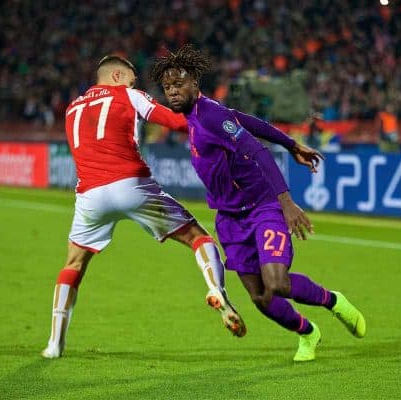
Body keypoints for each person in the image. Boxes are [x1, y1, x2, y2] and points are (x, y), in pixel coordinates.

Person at [151, 45, 366, 362]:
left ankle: (333, 301)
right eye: (168, 87)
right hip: (229, 217)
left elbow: (257, 149)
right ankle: (308, 333)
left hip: (263, 206)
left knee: (277, 283)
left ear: (195, 84)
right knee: (261, 298)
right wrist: (291, 143)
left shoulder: (210, 115)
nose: (172, 91)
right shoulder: (199, 116)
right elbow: (250, 122)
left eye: (179, 84)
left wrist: (286, 203)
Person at [41, 55, 247, 359]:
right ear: (115, 77)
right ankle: (218, 289)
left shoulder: (72, 108)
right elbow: (174, 120)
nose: (135, 85)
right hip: (131, 184)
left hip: (90, 195)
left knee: (73, 264)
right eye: (131, 79)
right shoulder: (127, 94)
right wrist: (201, 107)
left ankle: (54, 343)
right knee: (197, 236)